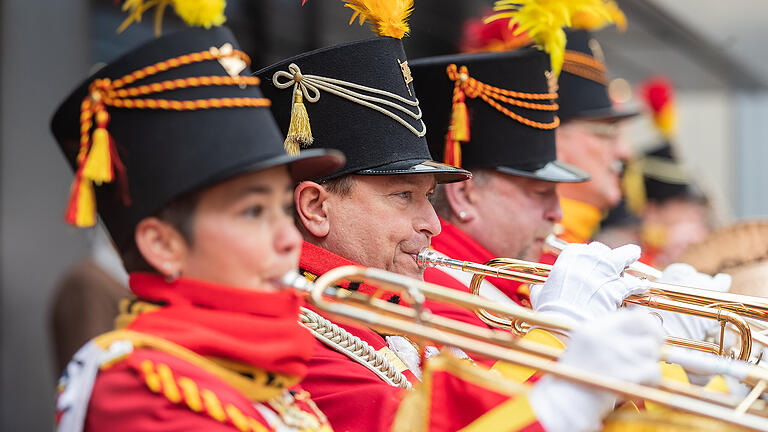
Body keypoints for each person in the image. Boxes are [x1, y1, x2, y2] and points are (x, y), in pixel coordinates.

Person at [257, 2, 665, 431]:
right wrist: (560, 337)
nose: (434, 223)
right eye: (402, 196)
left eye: (429, 197)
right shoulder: (296, 335)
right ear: (316, 208)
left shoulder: (387, 303)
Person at [51, 26, 346, 432]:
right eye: (253, 211)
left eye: (282, 208)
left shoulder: (261, 377)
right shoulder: (145, 393)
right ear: (162, 245)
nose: (290, 238)